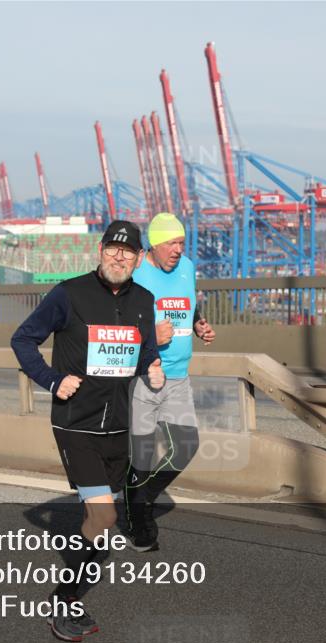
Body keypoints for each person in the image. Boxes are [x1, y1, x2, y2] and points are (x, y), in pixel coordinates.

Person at [10, 219, 165, 642]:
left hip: (119, 426)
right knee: (103, 515)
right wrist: (53, 379)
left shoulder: (144, 300)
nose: (120, 257)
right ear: (100, 251)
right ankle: (64, 603)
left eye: (129, 252)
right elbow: (23, 339)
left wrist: (151, 366)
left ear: (137, 259)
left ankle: (75, 579)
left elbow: (144, 347)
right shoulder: (68, 294)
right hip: (75, 423)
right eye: (113, 249)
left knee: (97, 521)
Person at [125, 212, 216, 552]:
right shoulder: (137, 272)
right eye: (172, 244)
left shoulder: (187, 267)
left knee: (186, 446)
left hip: (178, 376)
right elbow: (118, 324)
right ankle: (141, 528)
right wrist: (148, 334)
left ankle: (140, 498)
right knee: (144, 455)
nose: (178, 250)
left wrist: (199, 324)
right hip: (145, 375)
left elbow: (189, 305)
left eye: (181, 243)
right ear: (154, 244)